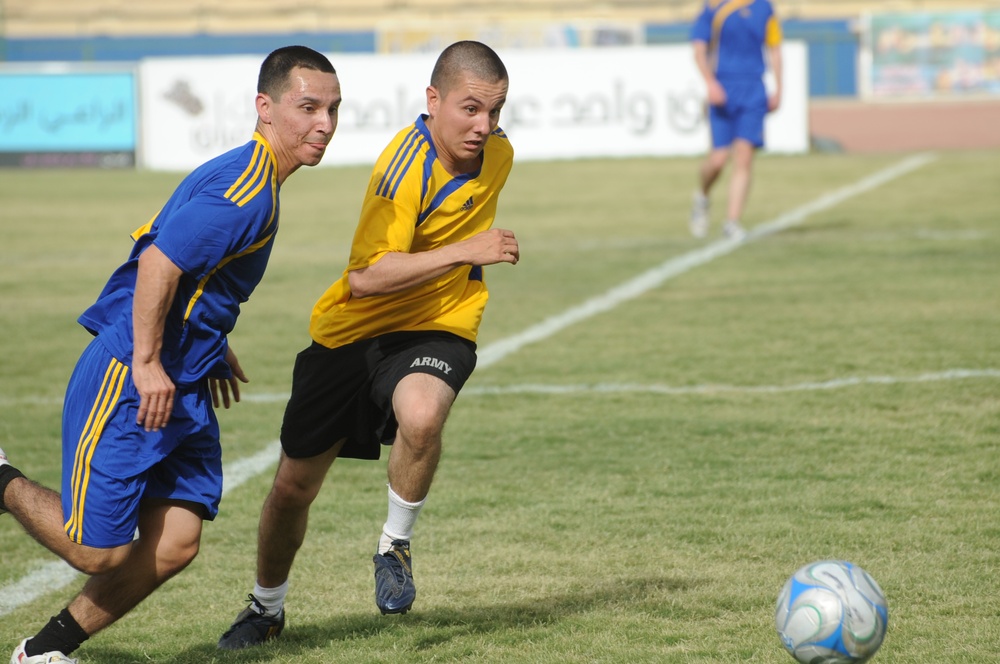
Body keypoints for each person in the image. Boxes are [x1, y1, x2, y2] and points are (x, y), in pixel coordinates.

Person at [0, 45, 342, 664]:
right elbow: (158, 261)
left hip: (185, 373)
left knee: (177, 539)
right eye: (308, 107)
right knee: (97, 550)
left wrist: (212, 338)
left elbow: (187, 268)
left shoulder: (250, 175)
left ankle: (44, 651)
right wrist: (150, 362)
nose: (324, 123)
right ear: (265, 109)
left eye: (333, 110)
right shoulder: (249, 193)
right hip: (135, 375)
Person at [217, 40, 517, 650]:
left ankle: (394, 547)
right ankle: (265, 607)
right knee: (292, 489)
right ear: (432, 102)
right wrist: (466, 250)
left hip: (440, 323)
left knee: (423, 413)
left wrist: (462, 265)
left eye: (494, 111)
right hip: (353, 331)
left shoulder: (497, 152)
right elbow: (365, 277)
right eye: (469, 110)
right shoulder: (400, 170)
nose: (483, 126)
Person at [689, 0, 783, 241]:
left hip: (753, 88)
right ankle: (702, 196)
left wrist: (779, 88)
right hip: (724, 85)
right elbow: (699, 48)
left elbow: (774, 48)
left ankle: (732, 222)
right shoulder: (713, 6)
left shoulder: (764, 7)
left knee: (744, 155)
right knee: (719, 160)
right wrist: (710, 83)